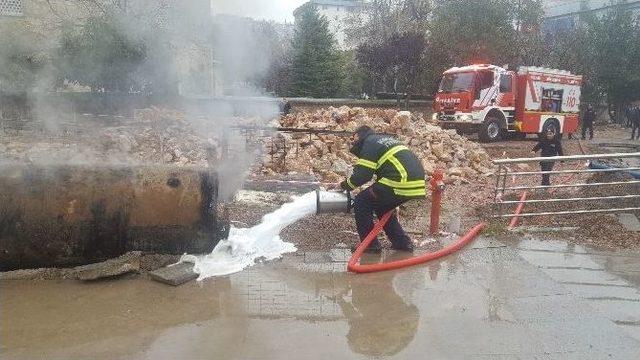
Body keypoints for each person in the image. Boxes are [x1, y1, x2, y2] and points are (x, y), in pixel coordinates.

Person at [333, 125, 426, 253]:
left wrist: (343, 185)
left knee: (361, 201)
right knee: (382, 206)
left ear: (360, 136)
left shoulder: (369, 143)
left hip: (400, 181)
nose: (353, 142)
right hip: (416, 183)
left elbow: (363, 175)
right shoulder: (381, 140)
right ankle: (402, 243)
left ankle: (370, 245)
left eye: (353, 139)